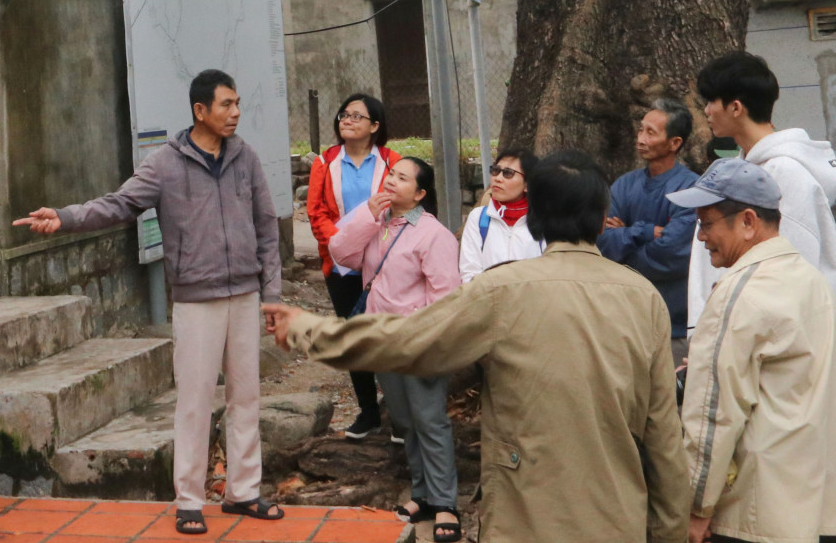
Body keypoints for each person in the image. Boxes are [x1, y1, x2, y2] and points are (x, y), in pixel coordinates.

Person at [266, 150, 689, 543]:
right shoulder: (644, 297)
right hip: (616, 518)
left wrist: (312, 330)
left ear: (535, 214)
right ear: (602, 220)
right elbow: (663, 434)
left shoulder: (501, 290)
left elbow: (406, 340)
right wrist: (669, 528)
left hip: (525, 517)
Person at [14, 69, 282, 534]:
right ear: (200, 111)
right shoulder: (166, 164)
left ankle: (243, 492)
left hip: (245, 293)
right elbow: (119, 204)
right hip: (197, 300)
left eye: (237, 103)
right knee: (195, 401)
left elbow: (266, 229)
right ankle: (190, 500)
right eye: (226, 105)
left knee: (246, 397)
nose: (236, 113)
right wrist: (64, 217)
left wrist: (272, 294)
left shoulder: (246, 158)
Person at [671, 159, 836, 543]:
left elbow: (713, 414)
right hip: (815, 508)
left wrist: (695, 505)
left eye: (706, 224)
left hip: (755, 515)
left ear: (748, 221)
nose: (701, 237)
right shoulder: (811, 281)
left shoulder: (739, 292)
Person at [327, 155, 461, 540]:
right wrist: (367, 215)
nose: (391, 181)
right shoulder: (378, 222)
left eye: (402, 179)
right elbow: (341, 252)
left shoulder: (432, 234)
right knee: (405, 421)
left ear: (419, 194)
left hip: (417, 344)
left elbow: (445, 297)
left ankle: (445, 503)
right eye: (391, 174)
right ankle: (422, 493)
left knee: (430, 422)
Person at [687, 51, 836, 323]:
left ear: (736, 108)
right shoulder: (740, 168)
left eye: (712, 101)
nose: (707, 110)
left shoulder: (786, 172)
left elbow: (792, 272)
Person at [304, 93, 402, 439]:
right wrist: (340, 246)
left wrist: (373, 247)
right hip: (342, 266)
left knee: (386, 336)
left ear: (375, 126)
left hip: (384, 261)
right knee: (353, 338)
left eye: (357, 116)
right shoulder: (324, 162)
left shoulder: (392, 162)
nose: (347, 120)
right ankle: (368, 411)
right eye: (344, 114)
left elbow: (401, 207)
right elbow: (316, 212)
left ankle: (399, 415)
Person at [599, 97, 701, 358]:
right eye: (641, 129)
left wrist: (624, 241)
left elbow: (672, 255)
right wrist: (644, 232)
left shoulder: (690, 189)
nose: (641, 138)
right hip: (625, 321)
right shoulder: (623, 185)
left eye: (651, 132)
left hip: (674, 325)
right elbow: (602, 243)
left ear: (675, 143)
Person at [458, 147, 544, 282]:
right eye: (495, 170)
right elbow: (469, 273)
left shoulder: (544, 221)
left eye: (508, 173)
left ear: (527, 184)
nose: (498, 178)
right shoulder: (479, 218)